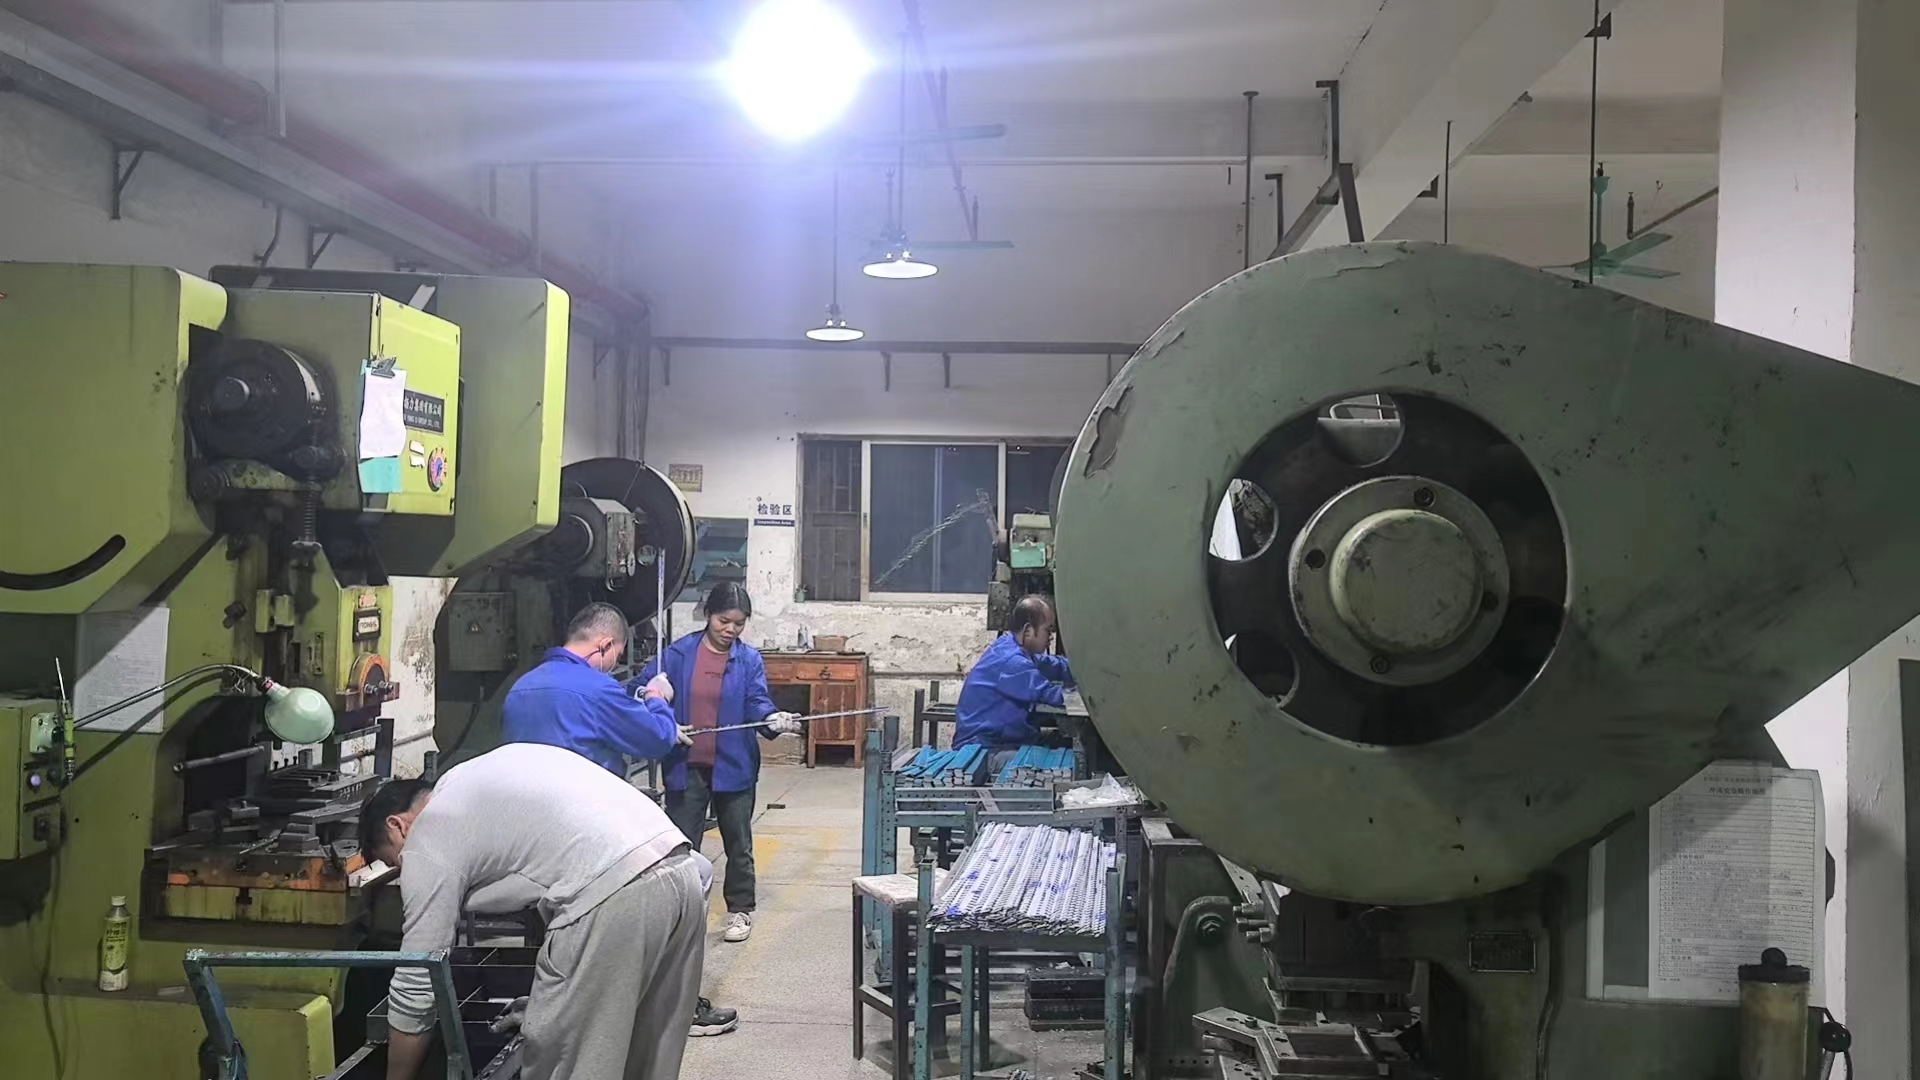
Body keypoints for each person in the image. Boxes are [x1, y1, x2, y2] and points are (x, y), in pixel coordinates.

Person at [358, 743, 706, 1080]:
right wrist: (554, 1004)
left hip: (614, 893)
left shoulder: (429, 833)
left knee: (565, 1065)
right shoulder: (477, 780)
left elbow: (418, 980)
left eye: (396, 860)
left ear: (398, 825)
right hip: (682, 872)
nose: (406, 870)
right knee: (644, 1065)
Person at [499, 601, 738, 1037]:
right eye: (615, 657)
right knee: (696, 874)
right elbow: (656, 739)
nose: (613, 666)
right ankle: (675, 1008)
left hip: (530, 842)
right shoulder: (596, 689)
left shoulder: (523, 688)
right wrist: (656, 699)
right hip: (591, 839)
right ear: (605, 645)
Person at [636, 582, 801, 944]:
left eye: (739, 623)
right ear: (708, 614)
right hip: (686, 764)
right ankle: (680, 913)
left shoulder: (748, 660)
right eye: (724, 621)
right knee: (680, 847)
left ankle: (740, 909)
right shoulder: (677, 655)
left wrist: (771, 718)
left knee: (738, 844)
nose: (730, 630)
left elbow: (756, 701)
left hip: (734, 764)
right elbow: (638, 690)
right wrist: (658, 709)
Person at [953, 595, 1075, 768]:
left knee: (1062, 746)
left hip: (1005, 740)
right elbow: (1052, 695)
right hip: (983, 751)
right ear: (1028, 630)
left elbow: (1054, 665)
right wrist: (1096, 696)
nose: (1051, 637)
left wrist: (1088, 670)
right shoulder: (1012, 661)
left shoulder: (1012, 646)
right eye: (1048, 630)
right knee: (1058, 766)